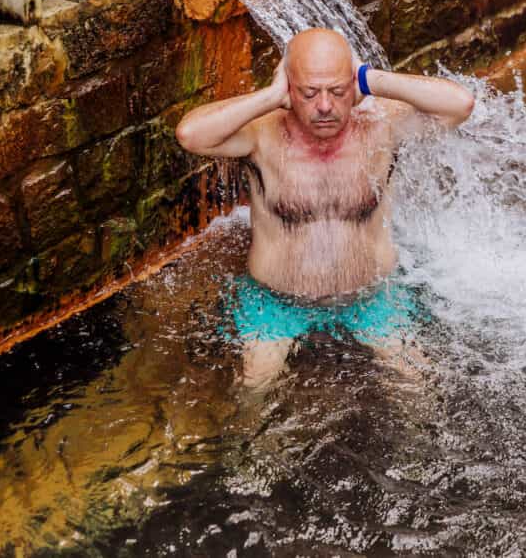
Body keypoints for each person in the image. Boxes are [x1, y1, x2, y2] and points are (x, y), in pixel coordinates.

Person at [175, 28, 475, 384]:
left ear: (353, 87)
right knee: (255, 386)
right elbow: (190, 135)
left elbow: (460, 105)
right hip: (277, 303)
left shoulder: (381, 126)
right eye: (309, 93)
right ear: (289, 89)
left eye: (337, 91)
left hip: (371, 299)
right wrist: (270, 96)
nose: (324, 107)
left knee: (416, 383)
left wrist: (370, 79)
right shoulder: (261, 135)